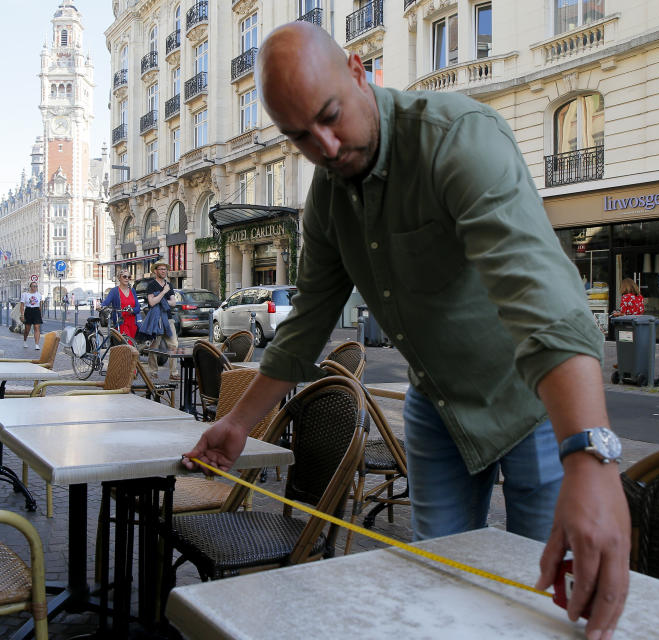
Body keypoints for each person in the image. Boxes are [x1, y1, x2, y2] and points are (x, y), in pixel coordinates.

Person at [181, 23, 629, 639]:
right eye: (301, 138)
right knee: (434, 586)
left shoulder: (458, 138)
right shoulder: (328, 197)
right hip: (436, 405)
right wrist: (237, 423)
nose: (328, 147)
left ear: (361, 72)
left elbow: (543, 300)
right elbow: (306, 324)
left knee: (549, 597)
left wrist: (590, 457)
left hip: (531, 402)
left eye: (331, 116)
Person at [144, 262, 179, 380]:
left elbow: (173, 303)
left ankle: (173, 373)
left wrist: (160, 299)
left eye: (165, 269)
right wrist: (164, 293)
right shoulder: (152, 285)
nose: (164, 271)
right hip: (156, 320)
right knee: (154, 346)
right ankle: (153, 371)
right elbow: (152, 302)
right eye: (161, 269)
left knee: (174, 345)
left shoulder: (169, 285)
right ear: (156, 271)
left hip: (168, 319)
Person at [101, 270, 139, 340]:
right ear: (119, 278)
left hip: (132, 323)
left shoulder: (132, 290)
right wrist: (100, 306)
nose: (127, 278)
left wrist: (132, 310)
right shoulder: (114, 291)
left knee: (131, 345)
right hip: (120, 322)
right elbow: (106, 302)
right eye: (124, 276)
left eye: (129, 277)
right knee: (127, 344)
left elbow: (138, 307)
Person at [19, 282, 43, 350]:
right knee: (27, 329)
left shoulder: (39, 295)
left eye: (36, 286)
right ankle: (25, 341)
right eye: (34, 286)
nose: (35, 288)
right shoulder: (25, 294)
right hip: (28, 310)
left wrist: (40, 313)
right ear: (30, 287)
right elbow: (22, 305)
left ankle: (37, 344)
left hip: (36, 311)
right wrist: (22, 314)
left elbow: (40, 305)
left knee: (36, 327)